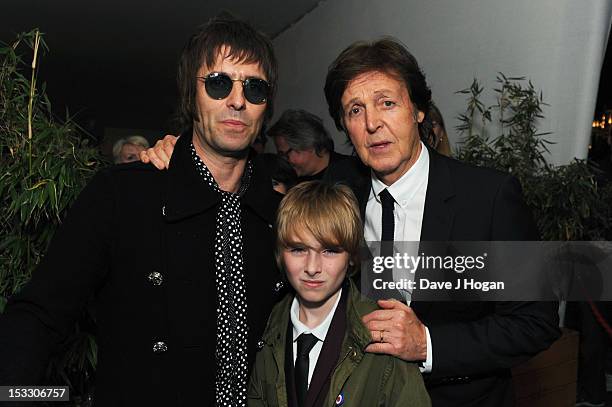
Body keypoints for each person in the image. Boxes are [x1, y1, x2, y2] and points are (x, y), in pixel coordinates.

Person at [0, 16, 284, 406]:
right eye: (218, 83)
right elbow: (38, 316)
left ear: (266, 108)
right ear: (190, 95)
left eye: (255, 89)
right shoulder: (124, 194)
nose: (237, 101)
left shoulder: (280, 215)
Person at [322, 37, 560, 407]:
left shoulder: (488, 198)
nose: (372, 123)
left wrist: (427, 344)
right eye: (355, 110)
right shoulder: (337, 194)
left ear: (418, 110)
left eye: (387, 102)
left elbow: (535, 321)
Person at [248, 181, 430, 407]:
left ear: (352, 256)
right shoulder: (265, 326)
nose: (312, 268)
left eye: (330, 251)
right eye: (298, 249)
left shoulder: (383, 334)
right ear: (280, 254)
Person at [267, 109, 350, 182]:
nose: (284, 161)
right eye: (281, 155)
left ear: (308, 145)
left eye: (285, 154)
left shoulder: (351, 174)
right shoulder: (289, 183)